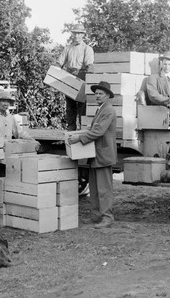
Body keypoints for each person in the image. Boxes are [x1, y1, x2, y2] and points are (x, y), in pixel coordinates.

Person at [68, 81, 117, 229]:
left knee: (104, 189)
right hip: (96, 154)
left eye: (101, 93)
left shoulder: (108, 110)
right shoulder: (100, 109)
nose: (97, 96)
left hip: (103, 154)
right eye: (96, 93)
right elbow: (94, 129)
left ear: (107, 95)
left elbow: (99, 131)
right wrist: (83, 132)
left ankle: (107, 217)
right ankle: (96, 216)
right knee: (95, 189)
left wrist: (79, 138)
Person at [57, 23, 94, 131]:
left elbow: (90, 66)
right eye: (75, 34)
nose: (77, 36)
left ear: (83, 35)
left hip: (82, 75)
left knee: (82, 104)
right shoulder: (68, 48)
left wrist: (90, 81)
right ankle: (71, 127)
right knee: (70, 105)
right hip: (69, 75)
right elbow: (59, 63)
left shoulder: (87, 49)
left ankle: (83, 128)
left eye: (79, 34)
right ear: (72, 35)